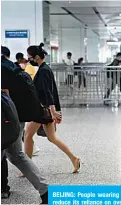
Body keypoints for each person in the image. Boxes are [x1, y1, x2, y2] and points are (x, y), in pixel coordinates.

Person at [1, 46, 48, 204]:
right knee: (17, 156)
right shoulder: (9, 66)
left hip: (6, 119)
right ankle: (45, 191)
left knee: (15, 156)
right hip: (15, 117)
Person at [24, 43, 81, 173]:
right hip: (45, 110)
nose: (29, 60)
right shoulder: (45, 69)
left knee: (28, 135)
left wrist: (53, 111)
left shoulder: (43, 71)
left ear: (37, 57)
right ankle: (74, 158)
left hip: (42, 110)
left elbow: (48, 92)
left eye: (30, 57)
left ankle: (26, 168)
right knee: (51, 138)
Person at [15, 52, 41, 156]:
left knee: (25, 132)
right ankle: (32, 149)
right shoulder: (27, 69)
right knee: (25, 132)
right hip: (30, 103)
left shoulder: (27, 69)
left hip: (29, 104)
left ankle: (31, 149)